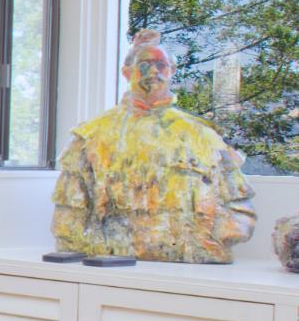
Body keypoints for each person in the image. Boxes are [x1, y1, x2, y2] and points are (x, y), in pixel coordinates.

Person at [51, 29, 256, 263]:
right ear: (127, 72)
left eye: (161, 65)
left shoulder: (202, 136)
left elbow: (237, 204)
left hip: (191, 268)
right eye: (145, 65)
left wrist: (210, 243)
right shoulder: (93, 135)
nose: (154, 72)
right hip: (112, 265)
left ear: (172, 72)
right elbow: (68, 215)